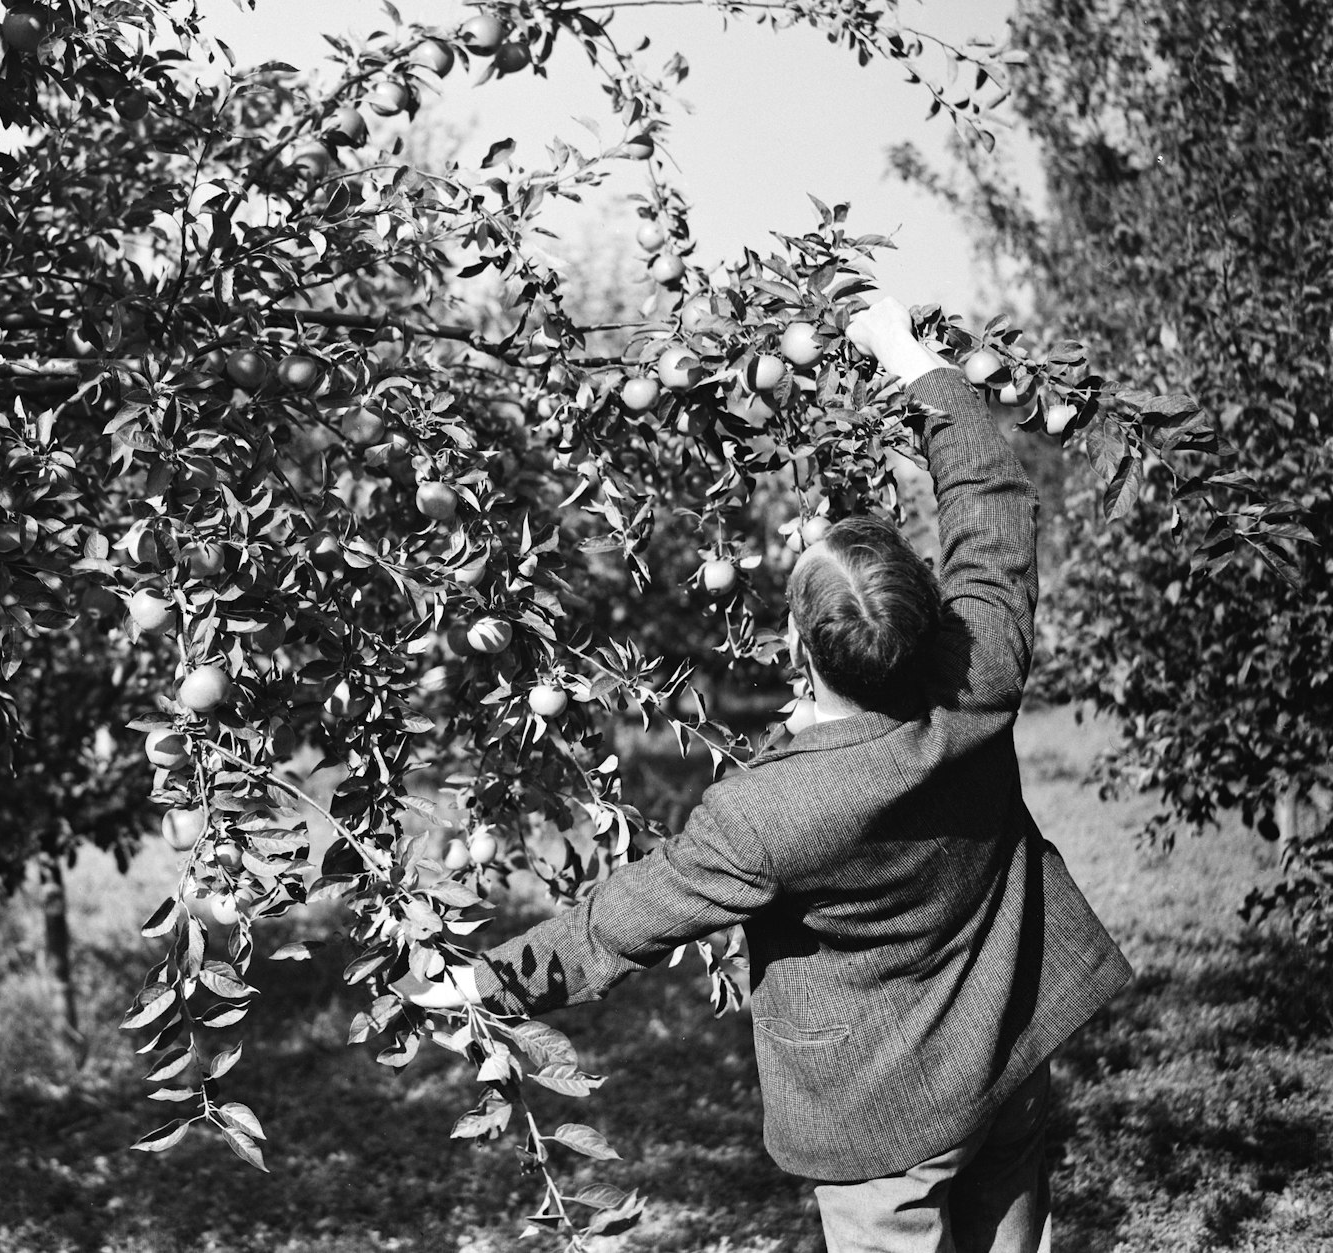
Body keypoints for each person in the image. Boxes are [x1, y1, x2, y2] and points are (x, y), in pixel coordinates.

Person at [403, 296, 1132, 1253]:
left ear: (798, 641)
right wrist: (920, 366)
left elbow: (621, 920)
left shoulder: (764, 811)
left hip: (883, 1125)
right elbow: (992, 513)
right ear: (924, 619)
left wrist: (479, 982)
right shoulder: (979, 683)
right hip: (1008, 1056)